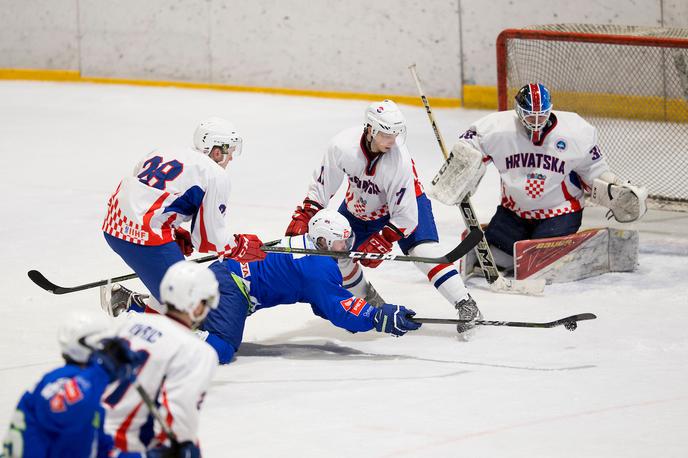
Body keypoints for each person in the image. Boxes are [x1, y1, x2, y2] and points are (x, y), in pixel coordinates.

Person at [284, 100, 480, 334]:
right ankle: (370, 305)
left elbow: (406, 217)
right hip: (360, 207)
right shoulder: (342, 146)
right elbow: (322, 186)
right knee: (337, 255)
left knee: (423, 253)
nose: (392, 140)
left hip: (407, 207)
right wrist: (307, 213)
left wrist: (383, 240)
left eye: (396, 134)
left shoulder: (399, 161)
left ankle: (466, 304)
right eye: (387, 134)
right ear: (370, 129)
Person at [453, 83, 648, 271]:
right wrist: (461, 162)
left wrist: (614, 187)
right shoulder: (499, 130)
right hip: (514, 212)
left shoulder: (575, 133)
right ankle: (516, 247)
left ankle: (557, 249)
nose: (537, 123)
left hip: (559, 213)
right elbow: (470, 142)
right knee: (499, 256)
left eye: (542, 116)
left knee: (540, 259)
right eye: (530, 117)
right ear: (519, 112)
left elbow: (594, 170)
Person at [197, 209, 422, 364]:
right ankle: (174, 341)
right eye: (342, 242)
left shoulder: (309, 247)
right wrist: (376, 317)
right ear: (323, 241)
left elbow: (321, 303)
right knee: (222, 349)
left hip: (225, 276)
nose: (347, 247)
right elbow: (338, 308)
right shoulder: (317, 266)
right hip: (232, 287)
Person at [102, 117, 266, 315]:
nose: (231, 158)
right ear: (217, 151)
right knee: (187, 302)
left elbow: (142, 189)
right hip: (146, 235)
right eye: (230, 151)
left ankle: (127, 304)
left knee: (173, 290)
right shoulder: (215, 174)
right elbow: (208, 238)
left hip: (113, 223)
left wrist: (171, 227)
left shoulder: (165, 151)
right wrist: (238, 247)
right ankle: (134, 316)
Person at [102, 261, 220, 456]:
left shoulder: (132, 323)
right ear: (197, 306)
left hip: (82, 429)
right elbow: (179, 416)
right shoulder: (196, 351)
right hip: (120, 447)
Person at [2, 314, 146, 458]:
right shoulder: (64, 389)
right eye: (108, 347)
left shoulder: (76, 388)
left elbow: (102, 449)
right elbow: (75, 402)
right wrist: (102, 371)